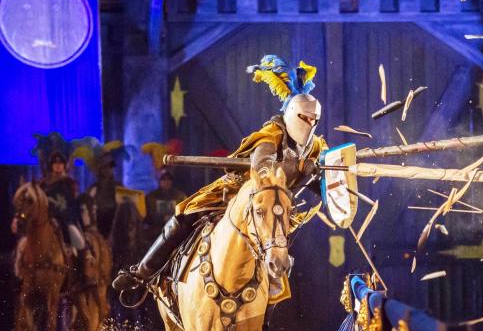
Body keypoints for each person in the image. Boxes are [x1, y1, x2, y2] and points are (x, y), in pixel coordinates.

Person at [112, 55, 327, 293]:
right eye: (305, 117)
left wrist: (320, 176)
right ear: (293, 113)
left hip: (275, 208)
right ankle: (142, 273)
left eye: (313, 119)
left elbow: (326, 182)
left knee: (278, 254)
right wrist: (287, 171)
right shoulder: (271, 135)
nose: (309, 123)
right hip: (239, 192)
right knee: (186, 215)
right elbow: (261, 165)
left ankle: (264, 315)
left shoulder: (316, 146)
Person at [143, 171, 186, 241]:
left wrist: (173, 219)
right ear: (159, 181)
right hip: (156, 231)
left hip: (175, 230)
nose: (166, 181)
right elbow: (148, 215)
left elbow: (184, 212)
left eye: (169, 179)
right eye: (163, 179)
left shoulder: (180, 196)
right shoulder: (151, 197)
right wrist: (162, 219)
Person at [88, 153, 120, 238]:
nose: (109, 170)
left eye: (110, 167)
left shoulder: (119, 188)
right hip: (98, 231)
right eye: (105, 167)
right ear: (100, 169)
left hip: (116, 232)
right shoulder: (93, 190)